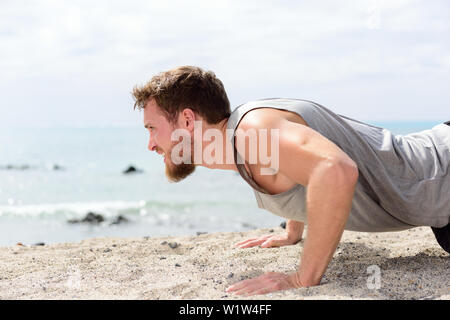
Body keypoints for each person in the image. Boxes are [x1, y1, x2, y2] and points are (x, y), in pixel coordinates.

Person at [132, 65, 450, 296]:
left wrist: (302, 278)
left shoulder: (252, 131)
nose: (150, 144)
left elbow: (335, 171)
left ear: (187, 120)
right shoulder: (241, 143)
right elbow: (302, 170)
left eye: (151, 128)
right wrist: (292, 228)